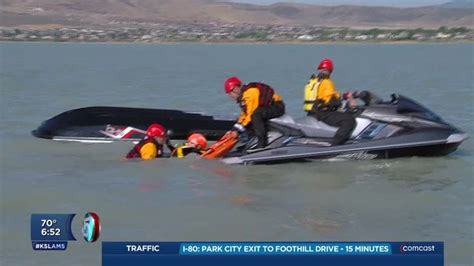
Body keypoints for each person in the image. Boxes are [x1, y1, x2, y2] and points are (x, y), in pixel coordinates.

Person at [224, 76, 285, 150]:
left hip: (277, 107)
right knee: (247, 120)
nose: (230, 96)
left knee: (255, 115)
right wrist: (234, 128)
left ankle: (262, 144)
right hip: (266, 108)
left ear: (236, 89)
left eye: (230, 93)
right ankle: (251, 142)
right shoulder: (243, 97)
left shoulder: (250, 93)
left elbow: (250, 114)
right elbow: (244, 115)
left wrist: (238, 130)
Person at [305, 59, 356, 146]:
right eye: (327, 71)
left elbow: (327, 96)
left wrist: (344, 96)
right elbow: (331, 100)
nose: (327, 72)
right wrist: (344, 102)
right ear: (330, 71)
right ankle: (335, 145)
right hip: (323, 113)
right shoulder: (327, 82)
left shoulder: (314, 82)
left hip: (312, 113)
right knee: (349, 120)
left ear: (319, 69)